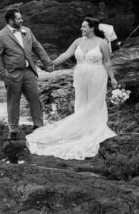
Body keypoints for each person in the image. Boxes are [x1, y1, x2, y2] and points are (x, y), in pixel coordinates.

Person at [25, 16, 118, 159]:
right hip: (80, 76)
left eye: (84, 26)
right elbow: (66, 54)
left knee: (95, 103)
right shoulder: (78, 41)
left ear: (92, 28)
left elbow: (106, 62)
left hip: (97, 76)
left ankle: (93, 131)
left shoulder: (102, 43)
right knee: (81, 102)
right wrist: (52, 64)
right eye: (82, 26)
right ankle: (80, 129)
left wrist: (112, 78)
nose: (81, 29)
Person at [0, 8, 53, 140]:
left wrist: (48, 63)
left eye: (21, 18)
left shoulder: (27, 31)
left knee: (35, 98)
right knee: (13, 102)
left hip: (29, 71)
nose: (22, 20)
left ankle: (38, 126)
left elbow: (37, 47)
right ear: (10, 20)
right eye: (19, 18)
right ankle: (13, 130)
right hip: (12, 74)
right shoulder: (0, 36)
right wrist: (4, 76)